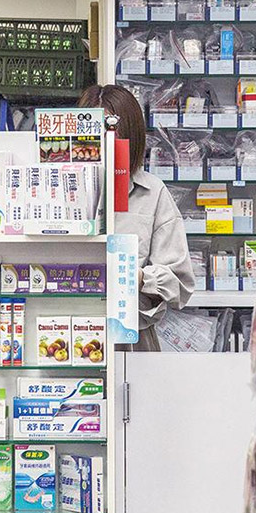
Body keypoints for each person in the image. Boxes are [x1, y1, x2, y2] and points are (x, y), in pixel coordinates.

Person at [79, 84, 195, 350]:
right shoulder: (59, 187)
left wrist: (140, 276)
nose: (103, 140)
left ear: (130, 134)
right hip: (67, 330)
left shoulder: (152, 192)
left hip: (131, 340)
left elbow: (181, 284)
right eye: (94, 130)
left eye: (112, 130)